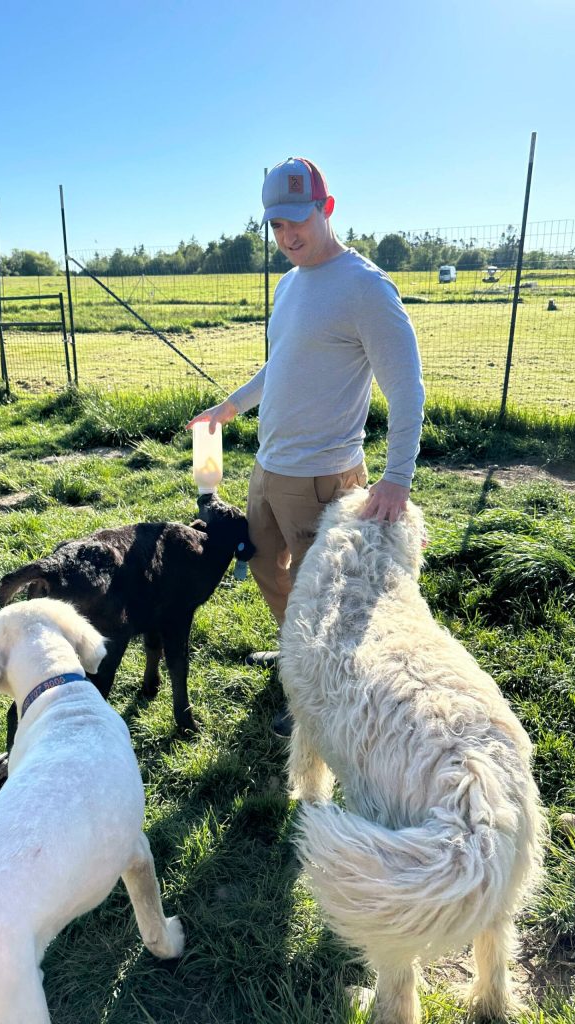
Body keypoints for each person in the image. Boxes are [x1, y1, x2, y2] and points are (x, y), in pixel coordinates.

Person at [187, 156, 425, 734]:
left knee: (334, 596)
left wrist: (396, 477)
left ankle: (327, 698)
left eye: (299, 221)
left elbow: (407, 389)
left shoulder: (366, 289)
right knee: (267, 566)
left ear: (327, 210)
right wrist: (229, 408)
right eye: (276, 225)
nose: (287, 236)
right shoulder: (290, 285)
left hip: (323, 475)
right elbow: (281, 365)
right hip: (269, 467)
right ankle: (301, 659)